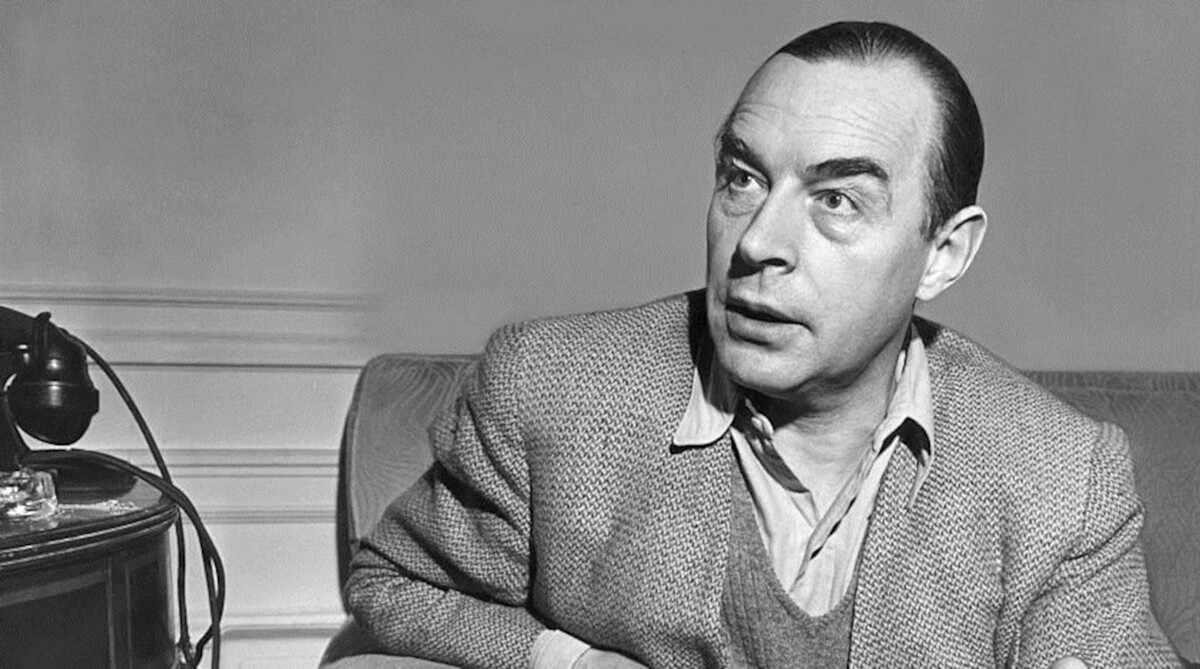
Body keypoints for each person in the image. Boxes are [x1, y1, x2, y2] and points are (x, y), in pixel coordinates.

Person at [343, 21, 1181, 668]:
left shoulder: (1061, 476)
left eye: (837, 200)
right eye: (743, 179)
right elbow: (391, 584)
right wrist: (565, 660)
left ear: (944, 253)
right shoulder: (552, 388)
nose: (756, 243)